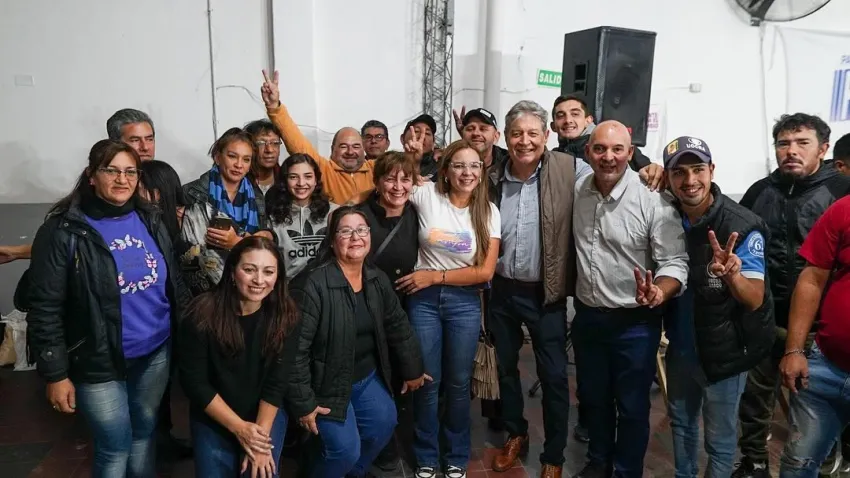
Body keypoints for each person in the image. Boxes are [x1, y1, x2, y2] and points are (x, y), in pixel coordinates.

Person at [27, 139, 190, 477]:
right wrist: (55, 373)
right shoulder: (62, 230)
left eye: (130, 172)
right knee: (115, 445)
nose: (122, 179)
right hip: (97, 357)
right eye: (111, 170)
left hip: (154, 350)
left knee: (144, 433)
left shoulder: (150, 218)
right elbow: (45, 307)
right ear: (91, 175)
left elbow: (172, 280)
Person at [732, 113, 850, 478]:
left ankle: (829, 462)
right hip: (764, 318)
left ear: (823, 149)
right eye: (783, 144)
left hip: (819, 329)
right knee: (754, 399)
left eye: (802, 143)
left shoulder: (841, 193)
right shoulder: (758, 192)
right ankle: (753, 461)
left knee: (814, 412)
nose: (791, 151)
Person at [571, 121, 688, 478]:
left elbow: (674, 261)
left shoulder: (652, 198)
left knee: (633, 407)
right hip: (588, 318)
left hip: (635, 323)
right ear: (588, 152)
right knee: (594, 399)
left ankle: (626, 471)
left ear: (630, 153)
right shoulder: (578, 190)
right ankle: (598, 462)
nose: (608, 157)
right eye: (600, 149)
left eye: (617, 149)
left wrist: (660, 290)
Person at [286, 206, 428, 477]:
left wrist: (413, 369)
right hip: (325, 384)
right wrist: (303, 403)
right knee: (344, 450)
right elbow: (294, 351)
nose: (356, 237)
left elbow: (398, 325)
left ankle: (349, 473)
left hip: (365, 376)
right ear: (331, 240)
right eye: (346, 231)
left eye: (362, 230)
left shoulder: (375, 278)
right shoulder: (311, 284)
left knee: (384, 423)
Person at [662, 136, 775, 477]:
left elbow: (754, 298)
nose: (690, 180)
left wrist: (733, 277)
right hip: (681, 347)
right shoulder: (664, 215)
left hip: (725, 353)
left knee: (720, 440)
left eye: (698, 169)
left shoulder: (741, 225)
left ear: (712, 170)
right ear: (667, 178)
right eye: (679, 172)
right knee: (681, 425)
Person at [397, 138, 501, 478]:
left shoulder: (489, 211)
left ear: (481, 171)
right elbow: (391, 187)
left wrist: (435, 276)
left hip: (464, 302)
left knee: (458, 383)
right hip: (423, 302)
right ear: (445, 170)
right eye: (458, 165)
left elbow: (485, 272)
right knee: (427, 381)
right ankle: (426, 454)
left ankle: (456, 453)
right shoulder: (427, 195)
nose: (466, 172)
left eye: (473, 165)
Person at [486, 100, 578, 478]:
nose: (524, 141)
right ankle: (516, 433)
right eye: (516, 133)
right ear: (506, 138)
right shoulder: (492, 177)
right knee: (505, 369)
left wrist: (647, 167)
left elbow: (613, 168)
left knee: (554, 376)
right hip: (501, 290)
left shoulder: (569, 169)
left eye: (532, 133)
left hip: (546, 294)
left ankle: (553, 454)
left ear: (546, 136)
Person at [179, 236, 299, 478]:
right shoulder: (201, 313)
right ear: (233, 272)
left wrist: (259, 441)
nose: (259, 280)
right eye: (249, 269)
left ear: (277, 278)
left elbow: (276, 384)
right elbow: (195, 383)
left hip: (263, 411)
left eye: (268, 272)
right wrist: (240, 428)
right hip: (214, 413)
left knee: (260, 472)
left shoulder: (286, 316)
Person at [0, 107, 160, 264]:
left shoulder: (164, 179)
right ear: (115, 143)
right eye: (135, 140)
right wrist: (19, 251)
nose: (145, 147)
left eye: (150, 139)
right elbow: (81, 242)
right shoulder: (101, 190)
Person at [354, 151, 421, 473]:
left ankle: (400, 441)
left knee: (403, 376)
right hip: (367, 309)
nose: (397, 186)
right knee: (375, 377)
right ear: (377, 182)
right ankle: (378, 444)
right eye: (390, 178)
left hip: (407, 308)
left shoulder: (418, 213)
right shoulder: (360, 215)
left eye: (405, 179)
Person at [778, 194, 850, 478]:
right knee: (797, 467)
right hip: (824, 369)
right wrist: (794, 350)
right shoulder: (843, 210)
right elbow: (812, 279)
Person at [138, 159, 194, 460]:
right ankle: (155, 442)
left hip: (173, 315)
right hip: (158, 318)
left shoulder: (179, 223)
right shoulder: (146, 222)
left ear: (157, 193)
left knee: (160, 387)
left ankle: (158, 441)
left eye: (140, 185)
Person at [261, 70, 376, 204]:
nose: (350, 152)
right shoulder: (323, 170)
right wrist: (275, 107)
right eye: (343, 146)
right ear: (333, 149)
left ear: (363, 149)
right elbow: (297, 143)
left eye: (356, 146)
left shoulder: (377, 169)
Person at [181, 128, 272, 295]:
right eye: (232, 156)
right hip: (204, 288)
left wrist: (241, 241)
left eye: (246, 159)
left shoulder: (256, 195)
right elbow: (184, 249)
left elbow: (263, 239)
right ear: (217, 157)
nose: (239, 165)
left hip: (248, 284)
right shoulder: (192, 193)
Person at [264, 153, 338, 280]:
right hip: (288, 287)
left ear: (316, 180)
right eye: (293, 177)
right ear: (285, 181)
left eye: (308, 176)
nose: (301, 183)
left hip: (326, 286)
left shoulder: (334, 212)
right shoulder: (272, 216)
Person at [245, 119, 285, 195]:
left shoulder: (286, 180)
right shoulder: (239, 179)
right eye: (261, 143)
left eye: (275, 143)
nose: (269, 150)